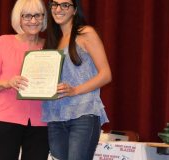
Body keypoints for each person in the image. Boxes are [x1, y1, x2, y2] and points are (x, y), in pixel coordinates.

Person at [42, 0, 112, 159]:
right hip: (55, 117)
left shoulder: (86, 33)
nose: (58, 9)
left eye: (65, 5)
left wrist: (74, 90)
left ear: (74, 10)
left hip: (83, 114)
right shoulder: (53, 41)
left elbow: (106, 74)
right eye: (55, 4)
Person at [0, 0, 49, 159]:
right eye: (27, 16)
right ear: (18, 19)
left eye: (37, 15)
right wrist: (7, 83)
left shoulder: (51, 46)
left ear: (44, 18)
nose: (33, 21)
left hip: (41, 121)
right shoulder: (3, 41)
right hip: (6, 117)